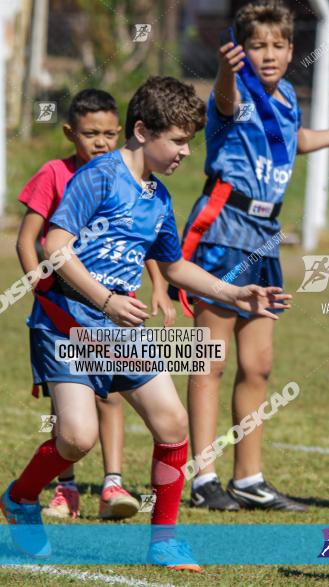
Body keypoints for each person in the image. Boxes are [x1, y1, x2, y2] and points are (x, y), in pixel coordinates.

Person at [0, 75, 290, 572]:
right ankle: (21, 498)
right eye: (177, 140)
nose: (184, 153)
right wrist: (104, 298)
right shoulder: (99, 176)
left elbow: (174, 266)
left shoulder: (158, 197)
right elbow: (54, 246)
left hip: (120, 330)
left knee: (172, 422)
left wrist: (233, 290)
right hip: (67, 325)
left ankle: (165, 541)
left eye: (189, 142)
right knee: (76, 439)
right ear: (141, 131)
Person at [176, 0, 329, 512]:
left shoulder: (286, 96)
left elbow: (292, 140)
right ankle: (204, 477)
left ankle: (249, 478)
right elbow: (223, 99)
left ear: (290, 50)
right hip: (223, 230)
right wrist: (224, 70)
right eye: (257, 45)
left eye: (277, 45)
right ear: (241, 50)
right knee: (210, 361)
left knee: (258, 365)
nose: (268, 54)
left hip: (265, 235)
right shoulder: (233, 93)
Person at [15, 88, 176, 522]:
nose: (102, 141)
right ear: (71, 133)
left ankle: (113, 483)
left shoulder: (147, 189)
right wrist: (42, 290)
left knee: (135, 409)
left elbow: (149, 248)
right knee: (75, 431)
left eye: (109, 133)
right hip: (66, 316)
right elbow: (39, 241)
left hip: (116, 319)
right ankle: (58, 487)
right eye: (91, 133)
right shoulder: (64, 175)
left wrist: (160, 285)